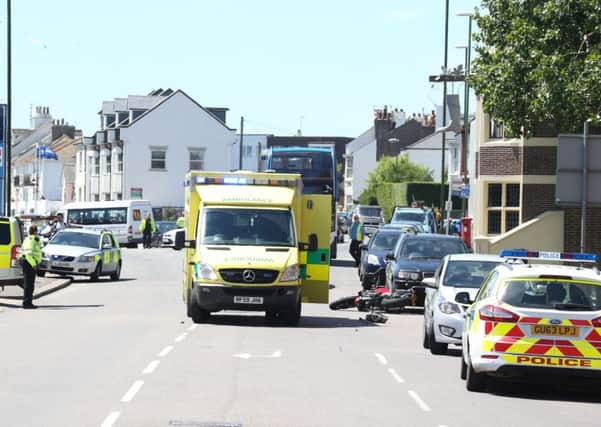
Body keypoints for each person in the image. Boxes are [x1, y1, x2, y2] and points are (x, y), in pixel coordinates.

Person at [20, 225, 42, 309]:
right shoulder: (34, 240)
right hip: (29, 262)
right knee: (29, 284)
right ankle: (27, 303)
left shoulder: (27, 239)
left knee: (28, 283)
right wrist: (34, 264)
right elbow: (29, 254)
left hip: (26, 261)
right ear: (35, 231)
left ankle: (27, 302)